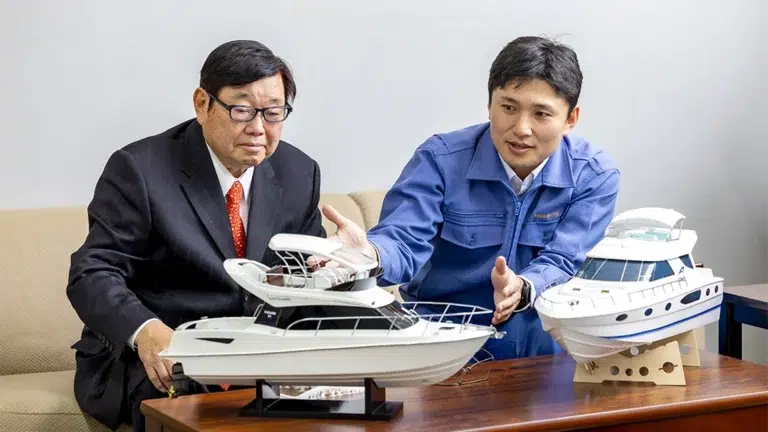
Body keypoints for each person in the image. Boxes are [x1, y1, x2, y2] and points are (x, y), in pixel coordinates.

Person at [66, 40, 325, 431]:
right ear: (202, 104)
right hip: (162, 355)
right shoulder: (140, 169)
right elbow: (92, 272)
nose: (258, 128)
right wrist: (146, 331)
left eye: (273, 112)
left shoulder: (299, 172)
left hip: (258, 358)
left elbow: (308, 277)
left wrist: (347, 266)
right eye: (242, 110)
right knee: (198, 405)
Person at [321, 36, 620, 361]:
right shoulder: (439, 160)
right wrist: (371, 254)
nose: (522, 128)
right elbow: (402, 239)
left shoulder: (594, 175)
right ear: (489, 105)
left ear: (570, 119)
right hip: (442, 356)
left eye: (541, 114)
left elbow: (565, 261)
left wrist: (523, 288)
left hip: (543, 361)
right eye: (508, 107)